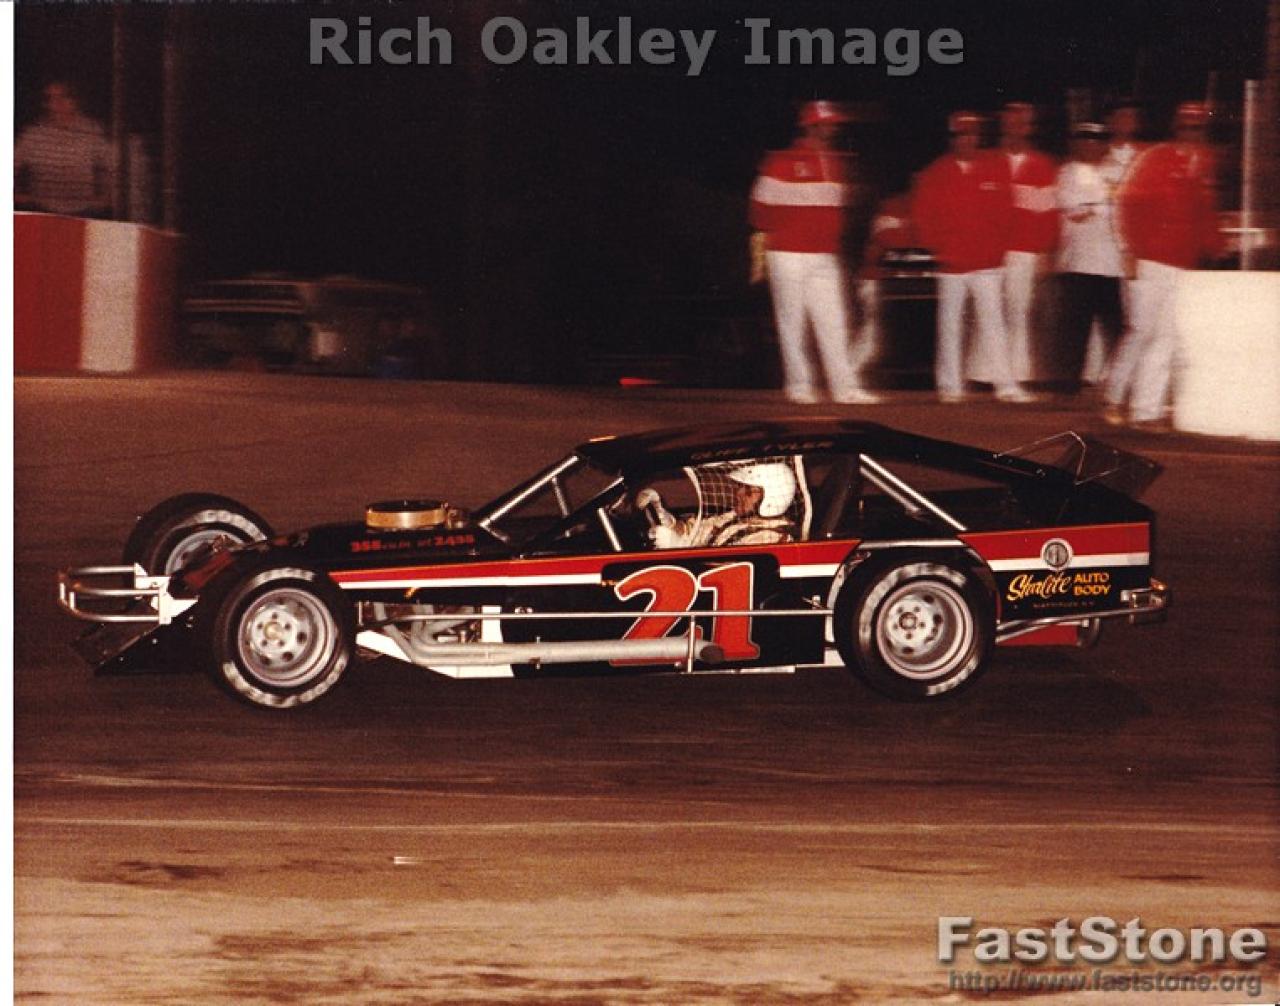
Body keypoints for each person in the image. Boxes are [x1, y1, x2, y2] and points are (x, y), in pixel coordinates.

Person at [749, 100, 882, 405]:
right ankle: (799, 387)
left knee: (834, 322)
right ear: (811, 126)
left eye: (833, 124)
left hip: (825, 256)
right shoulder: (781, 162)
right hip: (788, 254)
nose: (833, 129)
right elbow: (759, 210)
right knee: (792, 322)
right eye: (826, 124)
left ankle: (845, 388)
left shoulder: (836, 163)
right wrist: (784, 235)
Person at [1104, 101, 1222, 431]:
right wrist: (1128, 250)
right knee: (1143, 330)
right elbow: (1125, 203)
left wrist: (1218, 246)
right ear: (1176, 128)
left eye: (1198, 128)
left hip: (1182, 264)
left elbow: (1204, 215)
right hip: (1150, 260)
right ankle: (1113, 395)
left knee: (1166, 335)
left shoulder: (1204, 165)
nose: (1192, 134)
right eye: (1187, 127)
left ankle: (1145, 409)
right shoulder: (1156, 158)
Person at [912, 110, 1032, 404]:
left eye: (971, 134)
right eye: (960, 135)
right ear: (951, 138)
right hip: (951, 264)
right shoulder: (936, 172)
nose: (966, 140)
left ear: (978, 136)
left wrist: (998, 249)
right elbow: (923, 217)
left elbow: (1007, 213)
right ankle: (950, 387)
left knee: (994, 325)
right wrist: (939, 249)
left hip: (987, 263)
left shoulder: (996, 166)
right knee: (950, 326)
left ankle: (1005, 386)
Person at [973, 102, 1057, 387]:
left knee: (1018, 311)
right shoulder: (985, 161)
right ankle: (983, 373)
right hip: (989, 250)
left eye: (1022, 123)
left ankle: (1018, 373)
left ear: (1030, 127)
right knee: (988, 310)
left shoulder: (1041, 165)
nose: (1015, 129)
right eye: (1010, 123)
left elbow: (1047, 212)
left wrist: (1045, 251)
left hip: (1024, 250)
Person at [1055, 122, 1124, 388]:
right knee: (1075, 327)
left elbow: (1123, 207)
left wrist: (1095, 206)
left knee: (1117, 326)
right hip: (1079, 261)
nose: (1090, 146)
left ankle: (1118, 382)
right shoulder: (1069, 173)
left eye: (1096, 141)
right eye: (1084, 141)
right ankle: (1068, 384)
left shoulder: (1119, 171)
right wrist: (1102, 205)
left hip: (1114, 263)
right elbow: (1074, 211)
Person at [14, 80, 112, 217]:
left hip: (85, 212)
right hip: (41, 211)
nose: (56, 104)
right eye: (50, 98)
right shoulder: (33, 134)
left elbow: (112, 169)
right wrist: (17, 195)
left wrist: (105, 198)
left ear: (75, 100)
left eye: (63, 97)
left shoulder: (93, 131)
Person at [642, 463, 798, 549]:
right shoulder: (733, 518)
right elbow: (697, 531)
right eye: (740, 486)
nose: (739, 493)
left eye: (749, 491)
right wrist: (667, 519)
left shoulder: (771, 537)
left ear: (772, 498)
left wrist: (677, 547)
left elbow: (729, 570)